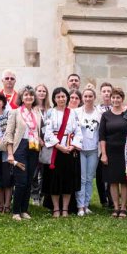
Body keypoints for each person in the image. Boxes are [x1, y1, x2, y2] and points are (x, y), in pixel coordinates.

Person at [3, 85, 42, 221]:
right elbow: (8, 134)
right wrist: (10, 154)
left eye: (31, 95)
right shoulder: (15, 112)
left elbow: (38, 131)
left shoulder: (37, 113)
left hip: (33, 148)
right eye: (26, 95)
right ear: (21, 97)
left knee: (29, 180)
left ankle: (24, 210)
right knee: (21, 181)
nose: (29, 97)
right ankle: (15, 212)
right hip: (19, 148)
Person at [44, 87, 79, 217]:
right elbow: (47, 132)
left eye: (63, 96)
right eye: (58, 97)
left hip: (69, 150)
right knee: (54, 180)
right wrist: (58, 146)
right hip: (55, 150)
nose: (61, 99)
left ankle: (65, 209)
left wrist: (73, 145)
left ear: (67, 98)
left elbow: (78, 131)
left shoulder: (73, 113)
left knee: (67, 180)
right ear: (54, 99)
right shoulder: (50, 113)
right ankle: (56, 208)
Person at [98, 87, 127, 218]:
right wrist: (104, 154)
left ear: (122, 99)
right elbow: (102, 136)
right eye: (113, 97)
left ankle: (123, 208)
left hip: (126, 152)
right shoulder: (106, 115)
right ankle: (116, 207)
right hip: (110, 152)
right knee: (112, 181)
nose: (115, 100)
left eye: (118, 97)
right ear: (110, 99)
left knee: (124, 181)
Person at [73, 88, 102, 217]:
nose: (88, 98)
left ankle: (86, 204)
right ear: (82, 98)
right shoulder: (76, 112)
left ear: (94, 97)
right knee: (82, 178)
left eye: (90, 96)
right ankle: (80, 206)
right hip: (80, 149)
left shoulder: (99, 113)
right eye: (85, 96)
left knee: (90, 179)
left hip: (94, 149)